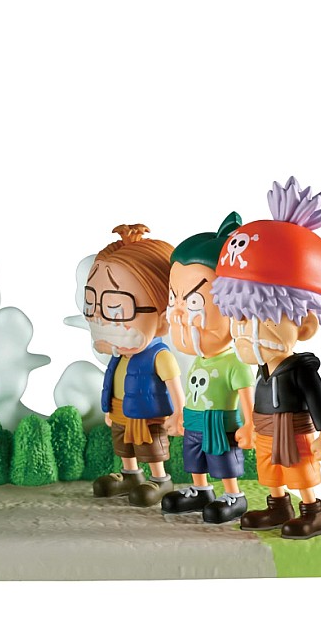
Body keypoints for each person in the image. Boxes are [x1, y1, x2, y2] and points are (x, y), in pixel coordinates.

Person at [211, 177, 321, 539]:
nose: (247, 330)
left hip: (293, 429)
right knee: (269, 470)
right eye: (240, 318)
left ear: (305, 324)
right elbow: (255, 399)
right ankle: (278, 506)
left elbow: (318, 401)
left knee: (299, 469)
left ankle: (311, 512)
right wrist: (252, 426)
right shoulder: (261, 369)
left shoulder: (301, 370)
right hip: (266, 428)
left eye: (263, 318)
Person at [161, 214, 255, 523]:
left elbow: (246, 396)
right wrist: (180, 414)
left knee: (222, 457)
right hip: (195, 419)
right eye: (174, 298)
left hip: (220, 423)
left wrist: (249, 425)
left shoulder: (234, 363)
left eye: (192, 302)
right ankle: (201, 490)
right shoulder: (198, 360)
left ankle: (233, 494)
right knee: (195, 457)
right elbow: (190, 393)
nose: (179, 313)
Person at [85, 224, 184, 507]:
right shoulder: (120, 355)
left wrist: (178, 414)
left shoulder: (159, 356)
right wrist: (108, 408)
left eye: (117, 309)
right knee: (124, 445)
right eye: (92, 304)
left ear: (163, 316)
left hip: (148, 415)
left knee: (149, 446)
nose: (103, 320)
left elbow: (174, 388)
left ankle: (160, 479)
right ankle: (130, 475)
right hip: (120, 410)